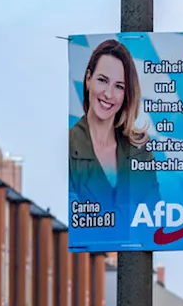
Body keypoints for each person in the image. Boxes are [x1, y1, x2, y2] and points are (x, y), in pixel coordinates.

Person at [68, 38, 161, 222]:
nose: (109, 94)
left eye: (119, 86)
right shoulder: (69, 146)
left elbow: (155, 221)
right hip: (85, 252)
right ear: (88, 79)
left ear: (127, 94)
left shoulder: (140, 149)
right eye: (102, 80)